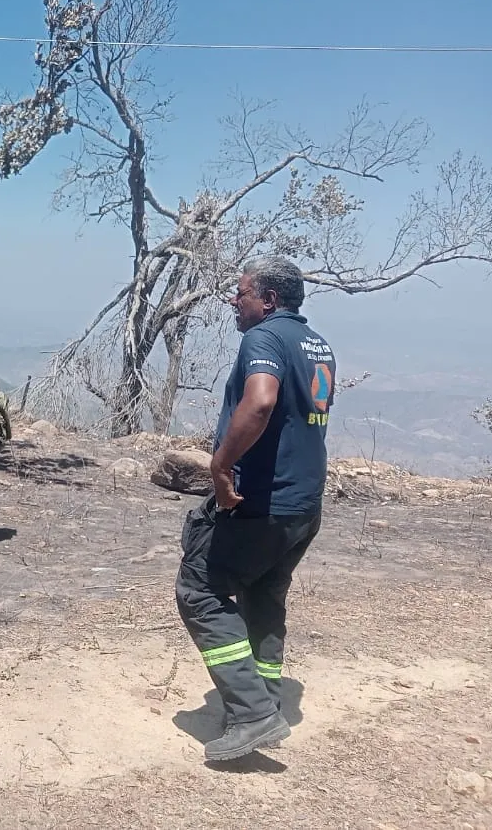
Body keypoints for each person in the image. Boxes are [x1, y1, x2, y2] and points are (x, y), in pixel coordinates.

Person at [175, 256, 336, 762]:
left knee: (200, 589)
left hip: (261, 504)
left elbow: (261, 402)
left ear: (267, 299)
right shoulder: (317, 343)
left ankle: (251, 714)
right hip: (303, 505)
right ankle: (267, 699)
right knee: (265, 593)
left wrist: (221, 468)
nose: (233, 299)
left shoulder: (262, 339)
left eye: (241, 292)